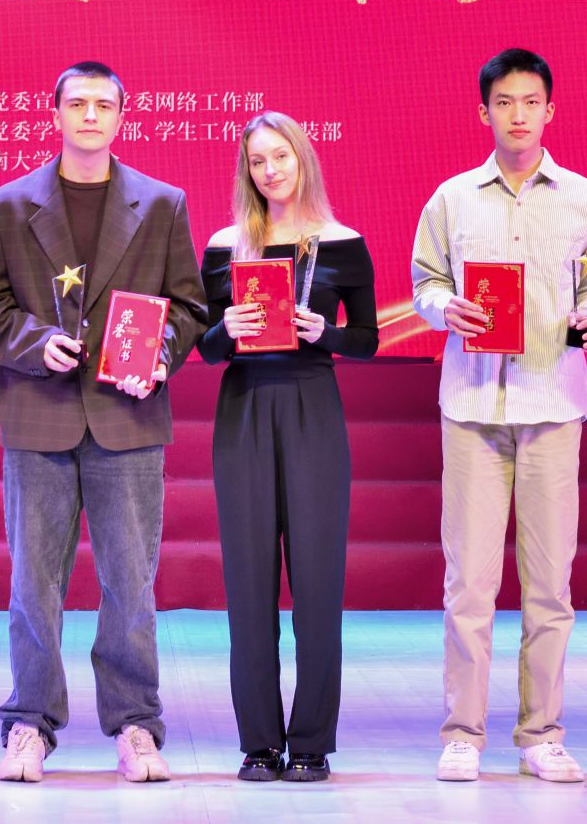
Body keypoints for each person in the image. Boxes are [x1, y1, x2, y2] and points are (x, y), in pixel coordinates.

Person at [0, 61, 208, 785]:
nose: (90, 115)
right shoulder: (7, 206)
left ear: (122, 117)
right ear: (56, 114)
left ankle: (135, 725)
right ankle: (29, 724)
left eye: (103, 105)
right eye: (77, 104)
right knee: (33, 586)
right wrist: (35, 344)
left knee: (131, 583)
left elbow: (189, 306)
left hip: (127, 416)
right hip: (39, 415)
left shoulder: (161, 204)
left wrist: (157, 354)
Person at [411, 48, 587, 785]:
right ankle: (463, 734)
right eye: (505, 102)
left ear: (550, 110)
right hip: (472, 406)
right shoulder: (452, 198)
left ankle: (541, 734)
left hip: (551, 406)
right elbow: (425, 281)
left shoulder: (584, 199)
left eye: (531, 102)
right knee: (469, 584)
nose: (519, 114)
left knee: (549, 584)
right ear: (485, 112)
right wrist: (444, 307)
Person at [198, 112, 379, 783]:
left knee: (317, 583)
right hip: (244, 407)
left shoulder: (343, 243)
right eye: (257, 161)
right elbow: (203, 348)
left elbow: (367, 340)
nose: (270, 171)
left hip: (312, 407)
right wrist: (226, 326)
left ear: (303, 158)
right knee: (248, 585)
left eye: (281, 157)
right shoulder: (226, 245)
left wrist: (322, 333)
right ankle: (258, 742)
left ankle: (310, 742)